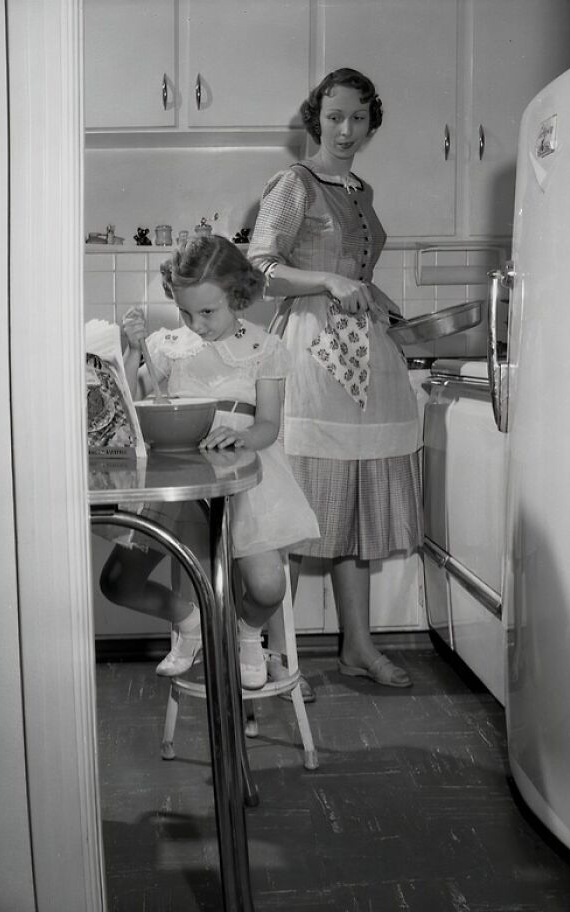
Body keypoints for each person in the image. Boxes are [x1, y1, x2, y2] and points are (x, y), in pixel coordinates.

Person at [247, 68, 423, 688]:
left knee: (355, 512)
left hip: (367, 359)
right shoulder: (293, 183)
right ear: (315, 119)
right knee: (297, 515)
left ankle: (358, 647)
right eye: (333, 117)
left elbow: (356, 274)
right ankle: (278, 657)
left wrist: (385, 307)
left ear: (372, 123)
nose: (345, 130)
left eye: (357, 118)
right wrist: (326, 279)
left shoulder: (361, 189)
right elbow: (260, 269)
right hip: (311, 355)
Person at [99, 235, 320, 690]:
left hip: (245, 479)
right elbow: (133, 408)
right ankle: (193, 622)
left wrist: (242, 436)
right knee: (118, 582)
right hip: (180, 479)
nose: (196, 325)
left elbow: (269, 425)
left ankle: (247, 633)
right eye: (185, 313)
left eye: (207, 312)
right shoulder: (168, 346)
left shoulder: (263, 347)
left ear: (237, 295)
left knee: (268, 588)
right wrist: (134, 350)